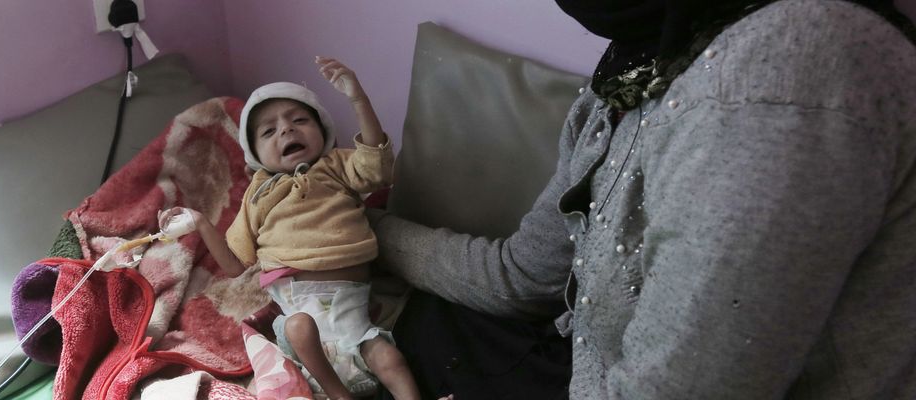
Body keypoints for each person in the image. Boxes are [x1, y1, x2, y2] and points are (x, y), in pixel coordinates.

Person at [366, 0, 916, 399]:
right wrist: (363, 229)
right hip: (578, 369)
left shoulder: (782, 75)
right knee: (421, 325)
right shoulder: (631, 74)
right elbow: (524, 275)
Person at [165, 57, 419, 400]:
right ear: (255, 155)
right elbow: (235, 265)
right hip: (303, 322)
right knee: (299, 325)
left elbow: (378, 167)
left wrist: (358, 98)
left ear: (323, 132)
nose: (286, 129)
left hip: (354, 322)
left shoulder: (335, 166)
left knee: (391, 360)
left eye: (299, 120)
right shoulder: (258, 193)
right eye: (269, 131)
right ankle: (337, 394)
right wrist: (201, 223)